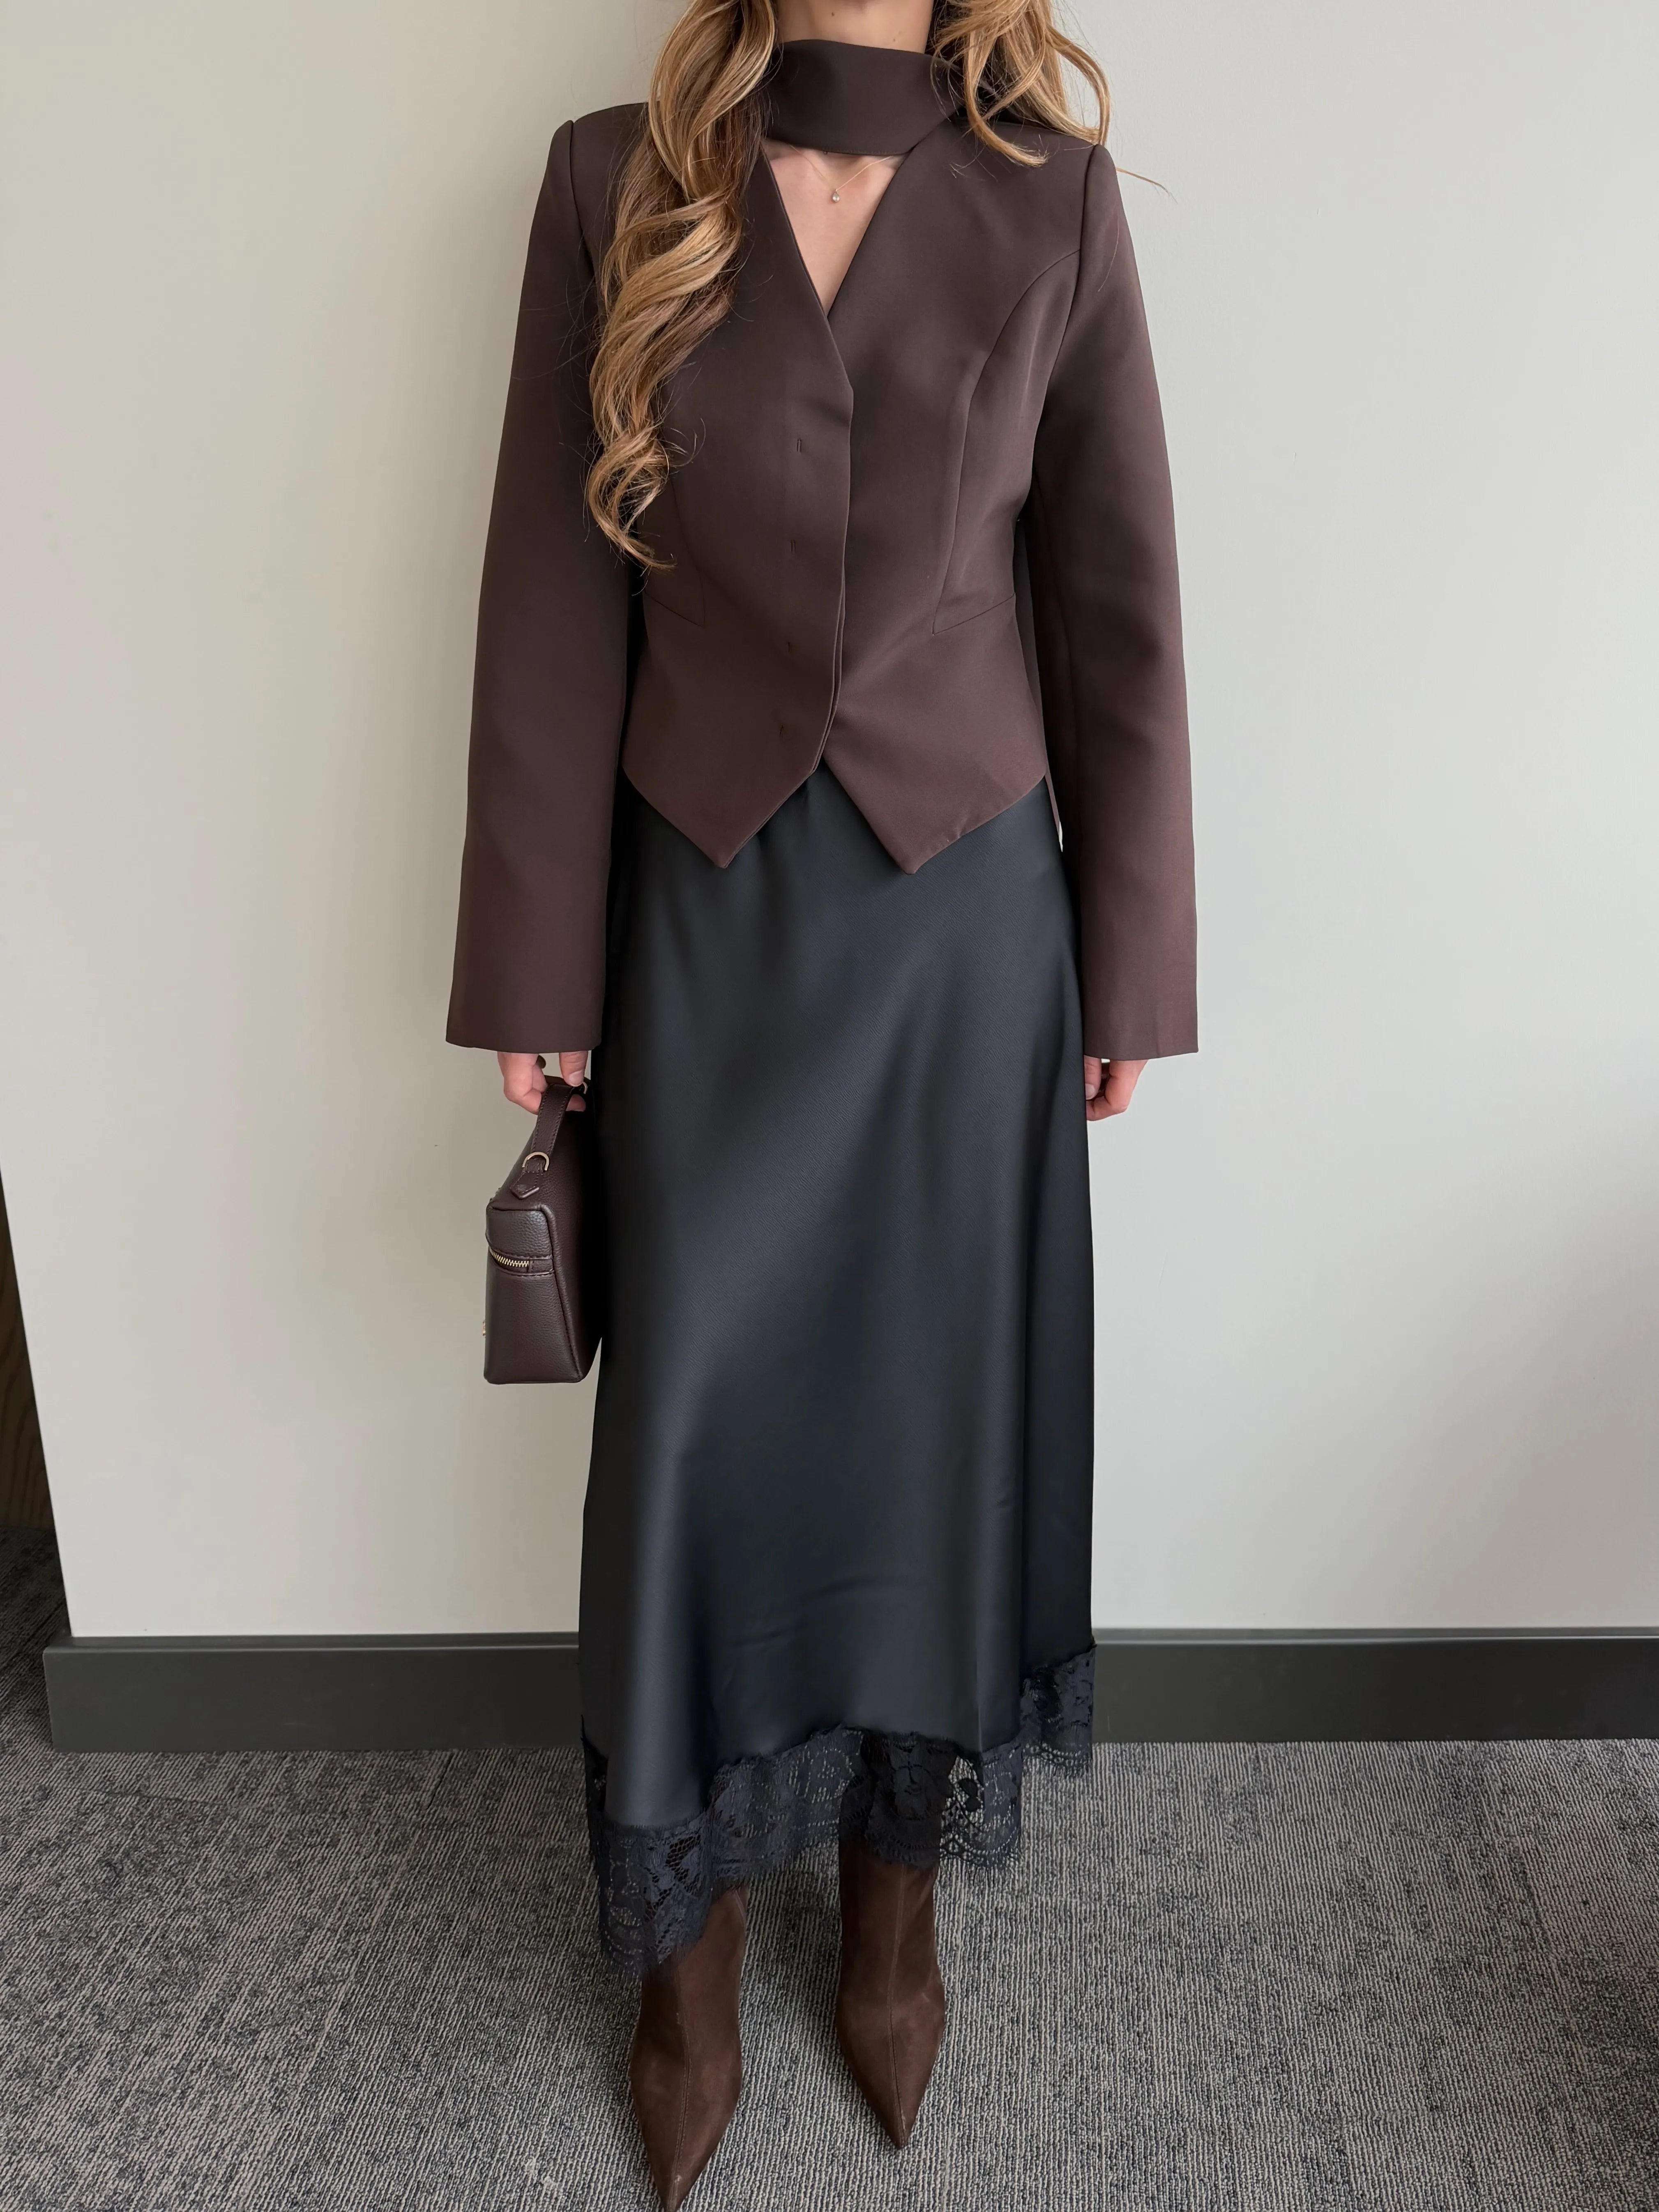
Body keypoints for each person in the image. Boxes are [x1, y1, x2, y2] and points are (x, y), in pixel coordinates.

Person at [446, 0, 1194, 2201]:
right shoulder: (612, 181)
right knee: (692, 1436)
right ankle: (681, 1965)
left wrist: (1132, 960)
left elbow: (1119, 608)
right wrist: (533, 965)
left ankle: (893, 1924)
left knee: (929, 1427)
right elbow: (547, 593)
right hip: (702, 921)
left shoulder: (1055, 204)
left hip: (967, 937)